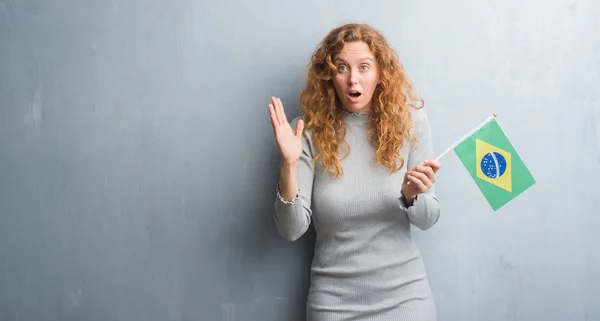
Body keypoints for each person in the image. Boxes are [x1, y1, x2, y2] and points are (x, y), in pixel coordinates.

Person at [268, 23, 442, 321]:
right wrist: (288, 163)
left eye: (364, 67)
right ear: (328, 76)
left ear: (381, 73)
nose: (353, 79)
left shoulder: (412, 123)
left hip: (405, 300)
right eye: (342, 68)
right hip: (333, 304)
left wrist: (412, 197)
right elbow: (291, 229)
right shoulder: (306, 132)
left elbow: (428, 218)